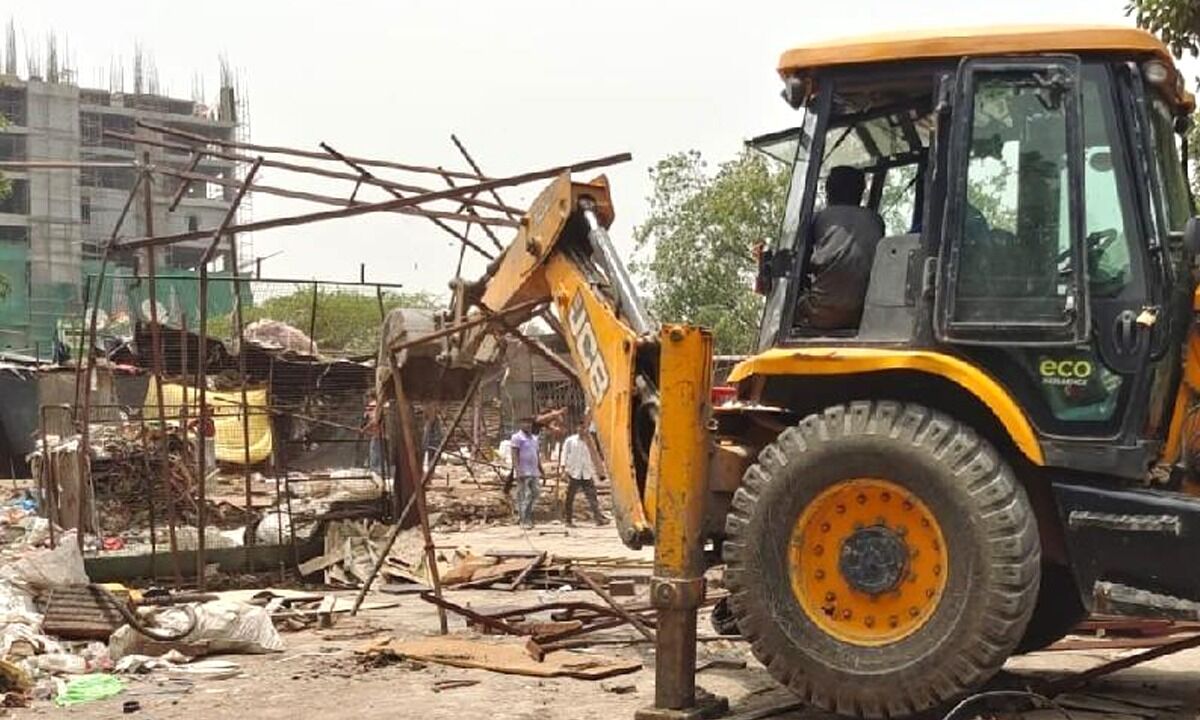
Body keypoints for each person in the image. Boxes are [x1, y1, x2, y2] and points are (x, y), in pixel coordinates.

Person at [795, 165, 885, 330]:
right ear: (860, 193)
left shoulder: (819, 219)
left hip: (820, 314)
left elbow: (799, 267)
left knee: (789, 300)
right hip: (864, 317)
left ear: (829, 192)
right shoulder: (876, 221)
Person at [559, 419, 608, 527]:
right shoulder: (570, 441)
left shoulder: (590, 442)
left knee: (592, 497)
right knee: (570, 498)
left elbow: (595, 456)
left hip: (586, 473)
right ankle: (568, 520)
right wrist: (563, 470)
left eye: (584, 428)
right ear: (577, 428)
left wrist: (598, 471)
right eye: (580, 428)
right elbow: (564, 454)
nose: (582, 430)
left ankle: (598, 519)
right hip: (574, 473)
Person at [510, 416, 545, 529]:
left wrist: (541, 469)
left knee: (535, 493)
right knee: (524, 495)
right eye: (525, 423)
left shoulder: (534, 438)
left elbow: (536, 455)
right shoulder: (517, 437)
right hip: (523, 471)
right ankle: (523, 520)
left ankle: (528, 516)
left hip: (534, 471)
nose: (528, 425)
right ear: (521, 424)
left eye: (529, 423)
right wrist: (517, 470)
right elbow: (514, 455)